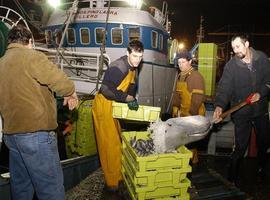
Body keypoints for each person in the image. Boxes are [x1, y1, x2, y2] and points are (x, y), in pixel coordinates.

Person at [0, 25, 78, 200]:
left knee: (21, 188)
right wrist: (71, 92)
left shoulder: (1, 63)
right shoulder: (32, 57)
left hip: (12, 137)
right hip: (36, 136)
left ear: (9, 42)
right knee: (50, 189)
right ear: (29, 42)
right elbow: (60, 81)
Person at [213, 34, 270, 185]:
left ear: (247, 44)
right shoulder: (231, 65)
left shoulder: (262, 59)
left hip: (260, 110)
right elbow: (224, 88)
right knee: (240, 146)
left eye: (238, 46)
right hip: (241, 112)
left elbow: (268, 82)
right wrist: (219, 105)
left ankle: (262, 169)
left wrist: (261, 93)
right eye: (233, 48)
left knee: (264, 142)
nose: (235, 51)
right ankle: (231, 177)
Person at [92, 40, 144, 191]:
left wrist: (131, 99)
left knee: (117, 140)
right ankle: (112, 183)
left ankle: (118, 175)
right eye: (134, 56)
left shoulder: (134, 67)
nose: (137, 60)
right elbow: (105, 89)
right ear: (128, 53)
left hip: (113, 106)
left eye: (140, 57)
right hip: (103, 106)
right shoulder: (118, 67)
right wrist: (126, 98)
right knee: (109, 145)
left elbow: (131, 86)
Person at [172, 50, 206, 164]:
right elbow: (177, 94)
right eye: (179, 62)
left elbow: (197, 98)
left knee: (190, 140)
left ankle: (190, 164)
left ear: (190, 61)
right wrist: (175, 108)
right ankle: (193, 161)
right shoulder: (181, 75)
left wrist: (192, 116)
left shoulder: (196, 76)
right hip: (184, 114)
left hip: (194, 114)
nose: (180, 65)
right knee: (187, 140)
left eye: (183, 62)